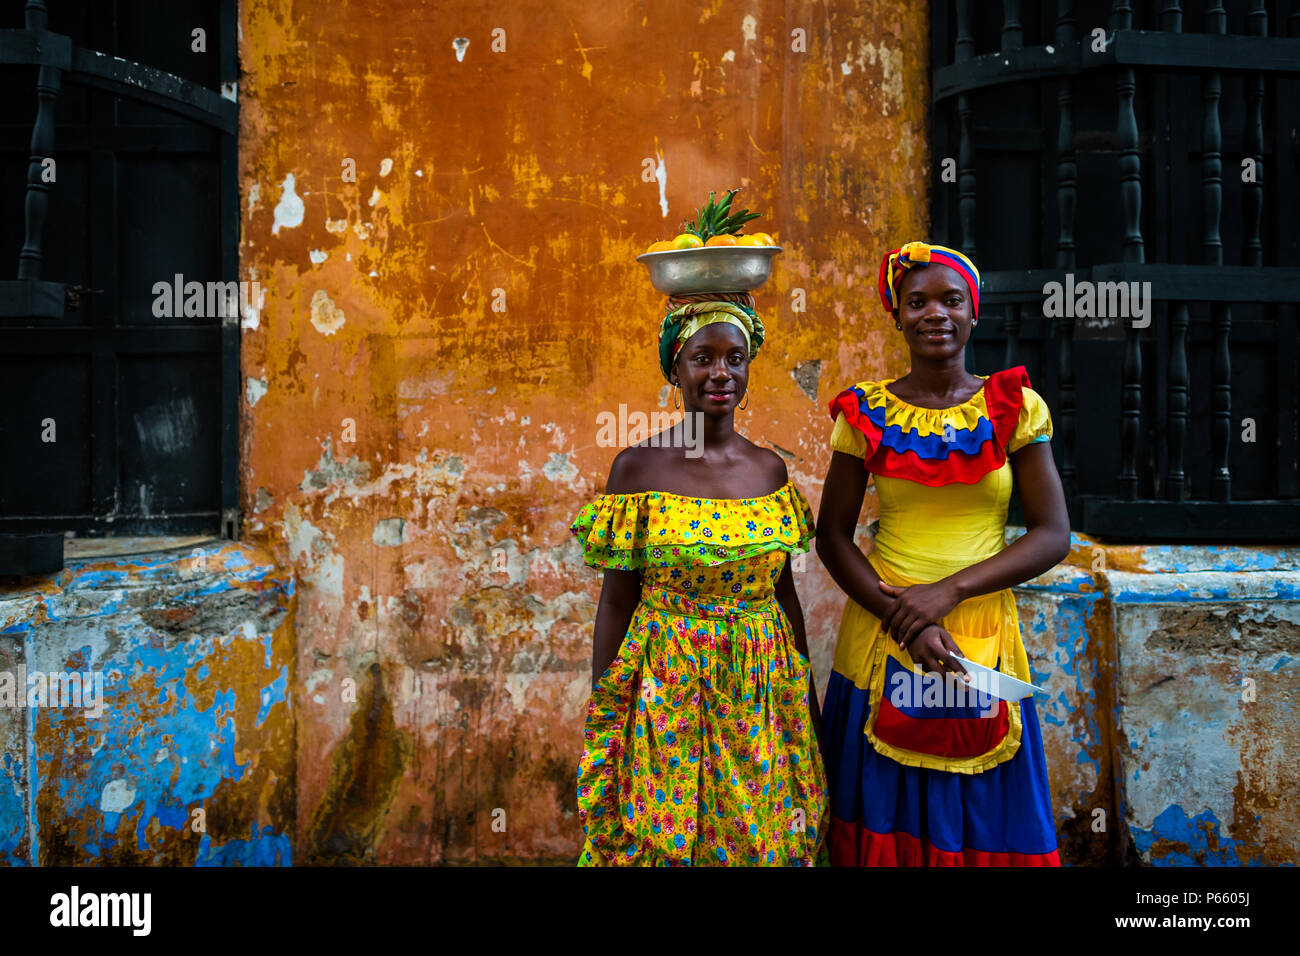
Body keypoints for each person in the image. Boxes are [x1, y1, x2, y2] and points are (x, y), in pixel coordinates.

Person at [815, 241, 1070, 866]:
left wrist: (946, 594)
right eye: (917, 302)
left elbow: (1051, 533)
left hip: (977, 634)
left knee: (981, 801)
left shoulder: (1014, 408)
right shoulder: (863, 414)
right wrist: (902, 616)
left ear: (973, 312)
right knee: (884, 805)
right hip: (883, 632)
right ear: (897, 315)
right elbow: (832, 536)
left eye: (951, 300)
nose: (936, 314)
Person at [571, 291, 827, 865]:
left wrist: (806, 701)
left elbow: (784, 594)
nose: (720, 374)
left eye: (734, 359)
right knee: (667, 831)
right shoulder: (638, 468)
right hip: (666, 683)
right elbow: (617, 601)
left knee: (758, 833)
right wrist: (607, 709)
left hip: (760, 685)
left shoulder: (769, 470)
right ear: (675, 368)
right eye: (702, 358)